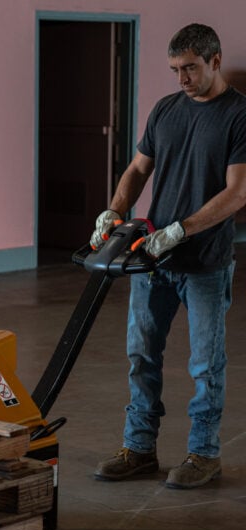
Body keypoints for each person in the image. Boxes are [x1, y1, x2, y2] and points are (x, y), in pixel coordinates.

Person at [91, 23, 246, 489]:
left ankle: (203, 454)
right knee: (141, 357)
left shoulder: (239, 116)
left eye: (191, 68)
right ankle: (139, 449)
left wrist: (182, 230)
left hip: (204, 263)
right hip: (153, 259)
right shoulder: (166, 110)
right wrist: (114, 210)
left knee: (205, 364)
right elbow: (139, 168)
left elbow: (238, 193)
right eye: (175, 69)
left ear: (215, 62)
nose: (182, 78)